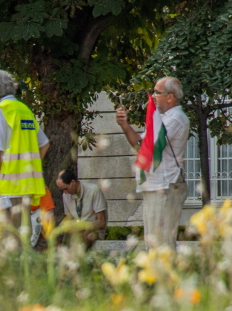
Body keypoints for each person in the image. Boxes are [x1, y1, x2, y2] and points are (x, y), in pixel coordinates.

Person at [116, 77, 189, 250]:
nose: (153, 96)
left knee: (161, 243)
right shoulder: (162, 119)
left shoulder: (175, 118)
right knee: (153, 242)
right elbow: (140, 144)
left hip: (165, 185)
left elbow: (147, 147)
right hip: (156, 184)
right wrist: (124, 125)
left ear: (170, 97)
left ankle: (164, 268)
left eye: (157, 92)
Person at [0, 70, 50, 216]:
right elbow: (44, 144)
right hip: (27, 188)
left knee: (7, 230)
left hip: (6, 189)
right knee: (22, 229)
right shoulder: (25, 111)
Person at [55, 169, 107, 248]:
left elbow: (101, 222)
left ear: (73, 182)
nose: (65, 192)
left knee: (85, 237)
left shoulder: (93, 190)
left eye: (65, 188)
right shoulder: (65, 195)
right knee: (56, 240)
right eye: (62, 190)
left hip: (93, 231)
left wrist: (86, 227)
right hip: (77, 232)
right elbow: (69, 218)